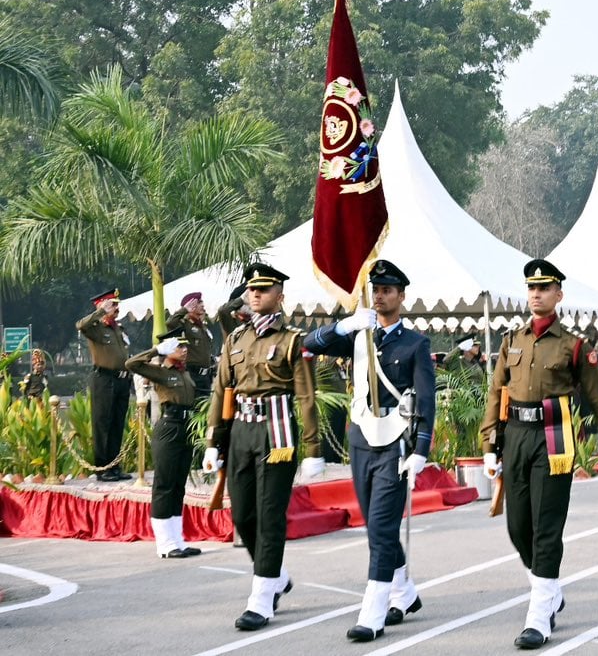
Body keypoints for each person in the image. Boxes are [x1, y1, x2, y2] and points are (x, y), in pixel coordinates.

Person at [480, 258, 598, 650]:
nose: (535, 295)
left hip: (553, 438)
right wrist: (489, 444)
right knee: (518, 527)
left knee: (547, 525)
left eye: (544, 289)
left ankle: (538, 614)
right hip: (515, 436)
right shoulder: (512, 341)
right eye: (531, 288)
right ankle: (549, 589)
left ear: (558, 295)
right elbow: (496, 393)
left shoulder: (573, 346)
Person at [303, 259, 435, 642]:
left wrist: (421, 449)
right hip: (361, 438)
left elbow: (425, 401)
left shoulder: (415, 344)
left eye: (388, 290)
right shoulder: (359, 334)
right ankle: (405, 594)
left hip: (395, 440)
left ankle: (373, 613)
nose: (380, 296)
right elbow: (309, 346)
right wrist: (343, 326)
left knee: (380, 526)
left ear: (402, 296)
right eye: (376, 289)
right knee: (376, 527)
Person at [202, 263, 318, 631]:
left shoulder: (292, 340)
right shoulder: (235, 338)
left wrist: (313, 450)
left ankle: (262, 598)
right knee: (243, 517)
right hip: (240, 432)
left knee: (270, 516)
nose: (255, 295)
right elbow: (222, 390)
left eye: (264, 289)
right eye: (252, 289)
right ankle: (277, 576)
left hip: (277, 433)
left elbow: (306, 397)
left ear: (279, 296)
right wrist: (213, 441)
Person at [125, 328, 202, 559]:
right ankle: (165, 544)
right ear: (169, 350)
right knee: (164, 485)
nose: (184, 350)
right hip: (168, 427)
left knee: (178, 485)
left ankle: (177, 539)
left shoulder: (184, 373)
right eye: (179, 346)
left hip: (186, 427)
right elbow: (131, 364)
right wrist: (156, 350)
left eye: (185, 346)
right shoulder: (160, 372)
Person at [76, 288, 132, 482]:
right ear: (101, 305)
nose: (116, 308)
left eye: (116, 304)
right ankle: (102, 468)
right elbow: (80, 325)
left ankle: (114, 466)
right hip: (104, 379)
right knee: (103, 425)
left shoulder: (117, 328)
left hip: (122, 380)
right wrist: (100, 311)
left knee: (117, 424)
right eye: (112, 304)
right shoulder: (96, 328)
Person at [167, 291, 216, 398]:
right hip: (193, 374)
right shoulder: (185, 325)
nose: (202, 305)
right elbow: (170, 323)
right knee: (193, 408)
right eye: (198, 302)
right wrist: (184, 310)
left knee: (203, 410)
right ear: (191, 306)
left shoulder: (202, 327)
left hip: (206, 376)